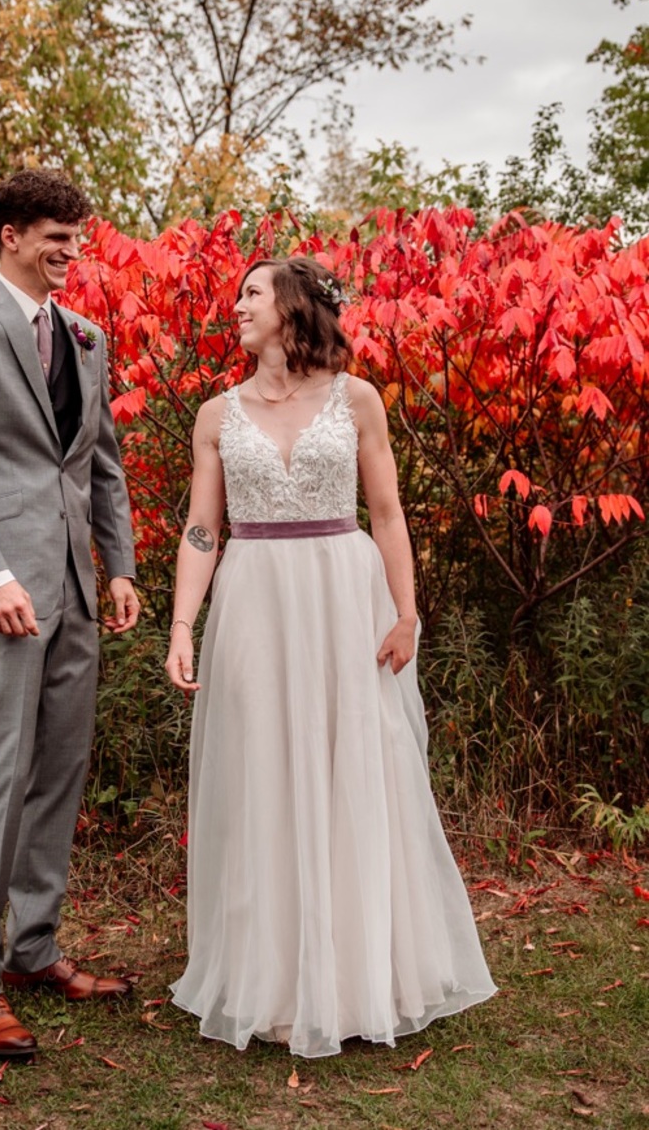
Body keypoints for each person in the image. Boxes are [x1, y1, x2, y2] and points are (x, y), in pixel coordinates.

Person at [165, 255, 495, 1059]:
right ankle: (275, 980)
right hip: (253, 602)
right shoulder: (216, 413)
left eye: (251, 293)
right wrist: (181, 622)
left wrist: (408, 613)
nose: (235, 305)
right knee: (265, 772)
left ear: (293, 306)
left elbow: (386, 514)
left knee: (353, 769)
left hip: (346, 597)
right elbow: (203, 529)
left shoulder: (357, 400)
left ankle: (356, 978)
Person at [0, 169, 140, 1059]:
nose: (70, 250)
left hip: (78, 593)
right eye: (54, 234)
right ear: (7, 234)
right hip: (1, 593)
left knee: (61, 772)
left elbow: (100, 465)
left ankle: (33, 949)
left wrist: (117, 566)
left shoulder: (87, 337)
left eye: (76, 237)